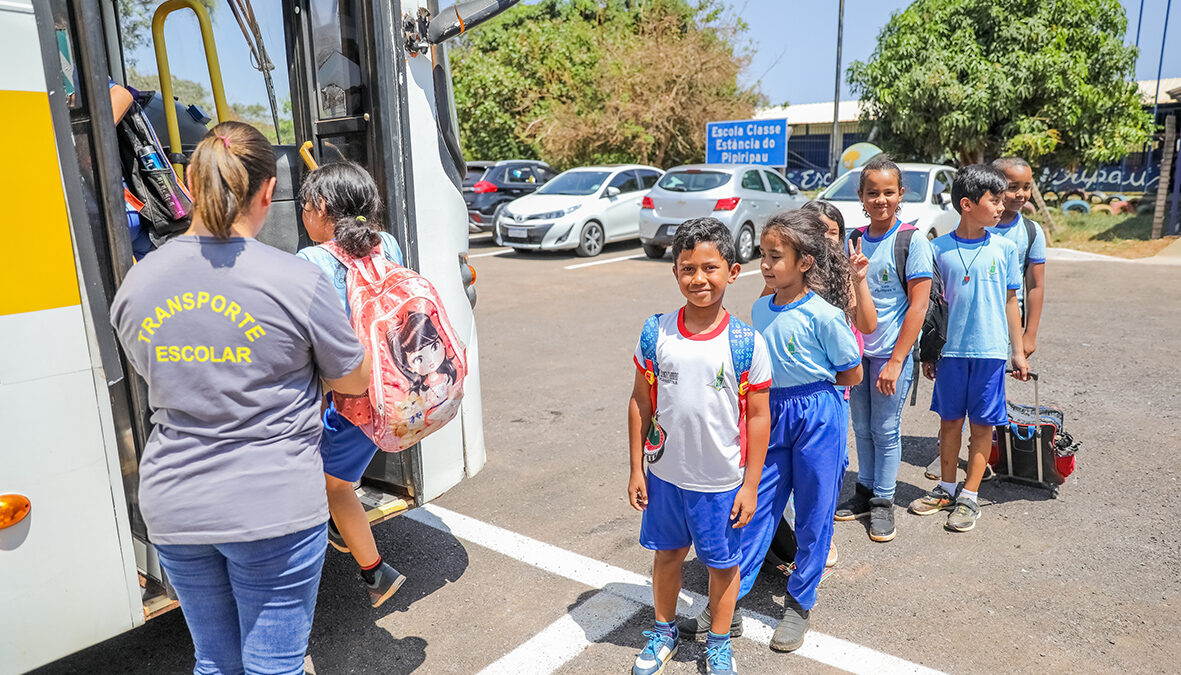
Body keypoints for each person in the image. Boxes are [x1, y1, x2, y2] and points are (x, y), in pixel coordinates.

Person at [109, 121, 372, 675]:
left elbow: (151, 371)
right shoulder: (296, 280)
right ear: (268, 192)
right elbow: (354, 380)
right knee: (274, 664)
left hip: (175, 502)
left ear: (191, 181)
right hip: (272, 501)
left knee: (215, 660)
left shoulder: (137, 282)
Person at [681, 210, 862, 653]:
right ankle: (729, 605)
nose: (765, 263)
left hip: (819, 412)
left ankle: (800, 603)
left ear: (805, 262)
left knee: (816, 512)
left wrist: (814, 398)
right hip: (771, 414)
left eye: (775, 256)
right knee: (755, 507)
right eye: (762, 254)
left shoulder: (826, 314)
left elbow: (852, 374)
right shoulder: (761, 308)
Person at [626, 218, 772, 675]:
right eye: (687, 268)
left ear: (732, 271)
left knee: (722, 565)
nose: (698, 279)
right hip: (666, 477)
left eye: (709, 268)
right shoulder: (657, 332)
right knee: (667, 555)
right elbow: (639, 401)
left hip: (722, 481)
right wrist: (636, 469)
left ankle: (719, 641)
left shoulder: (747, 342)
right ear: (675, 273)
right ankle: (664, 631)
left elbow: (758, 417)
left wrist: (750, 486)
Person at [296, 161, 408, 608]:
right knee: (335, 475)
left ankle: (376, 573)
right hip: (394, 392)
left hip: (352, 401)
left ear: (321, 207)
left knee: (335, 487)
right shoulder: (389, 244)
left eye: (304, 206)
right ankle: (338, 530)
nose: (304, 215)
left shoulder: (313, 260)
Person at [909, 164, 1030, 533]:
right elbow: (930, 305)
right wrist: (928, 351)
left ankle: (970, 497)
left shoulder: (1006, 248)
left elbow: (1013, 301)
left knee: (981, 427)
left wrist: (1018, 350)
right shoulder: (937, 249)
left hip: (990, 352)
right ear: (966, 204)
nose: (1001, 206)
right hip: (951, 353)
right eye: (994, 200)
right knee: (949, 423)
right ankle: (946, 489)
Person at [758, 200, 874, 574]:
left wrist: (858, 279)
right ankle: (786, 548)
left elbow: (858, 350)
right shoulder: (768, 301)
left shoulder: (832, 296)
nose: (765, 263)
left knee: (820, 488)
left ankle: (814, 550)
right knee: (772, 489)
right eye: (764, 255)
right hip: (776, 405)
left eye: (831, 233)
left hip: (824, 400)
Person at [832, 155, 933, 544]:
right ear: (860, 196)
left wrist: (896, 360)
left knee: (886, 429)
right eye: (872, 192)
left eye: (888, 192)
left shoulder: (911, 241)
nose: (880, 200)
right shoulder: (852, 239)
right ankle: (865, 488)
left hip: (892, 354)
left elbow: (918, 306)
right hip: (858, 354)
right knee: (861, 426)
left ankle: (884, 502)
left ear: (900, 194)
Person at [988, 157, 1046, 357]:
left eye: (1026, 187)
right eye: (1013, 187)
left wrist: (1029, 334)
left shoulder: (1032, 232)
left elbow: (1035, 286)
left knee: (993, 385)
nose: (1021, 194)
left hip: (1006, 327)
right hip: (968, 325)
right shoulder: (973, 227)